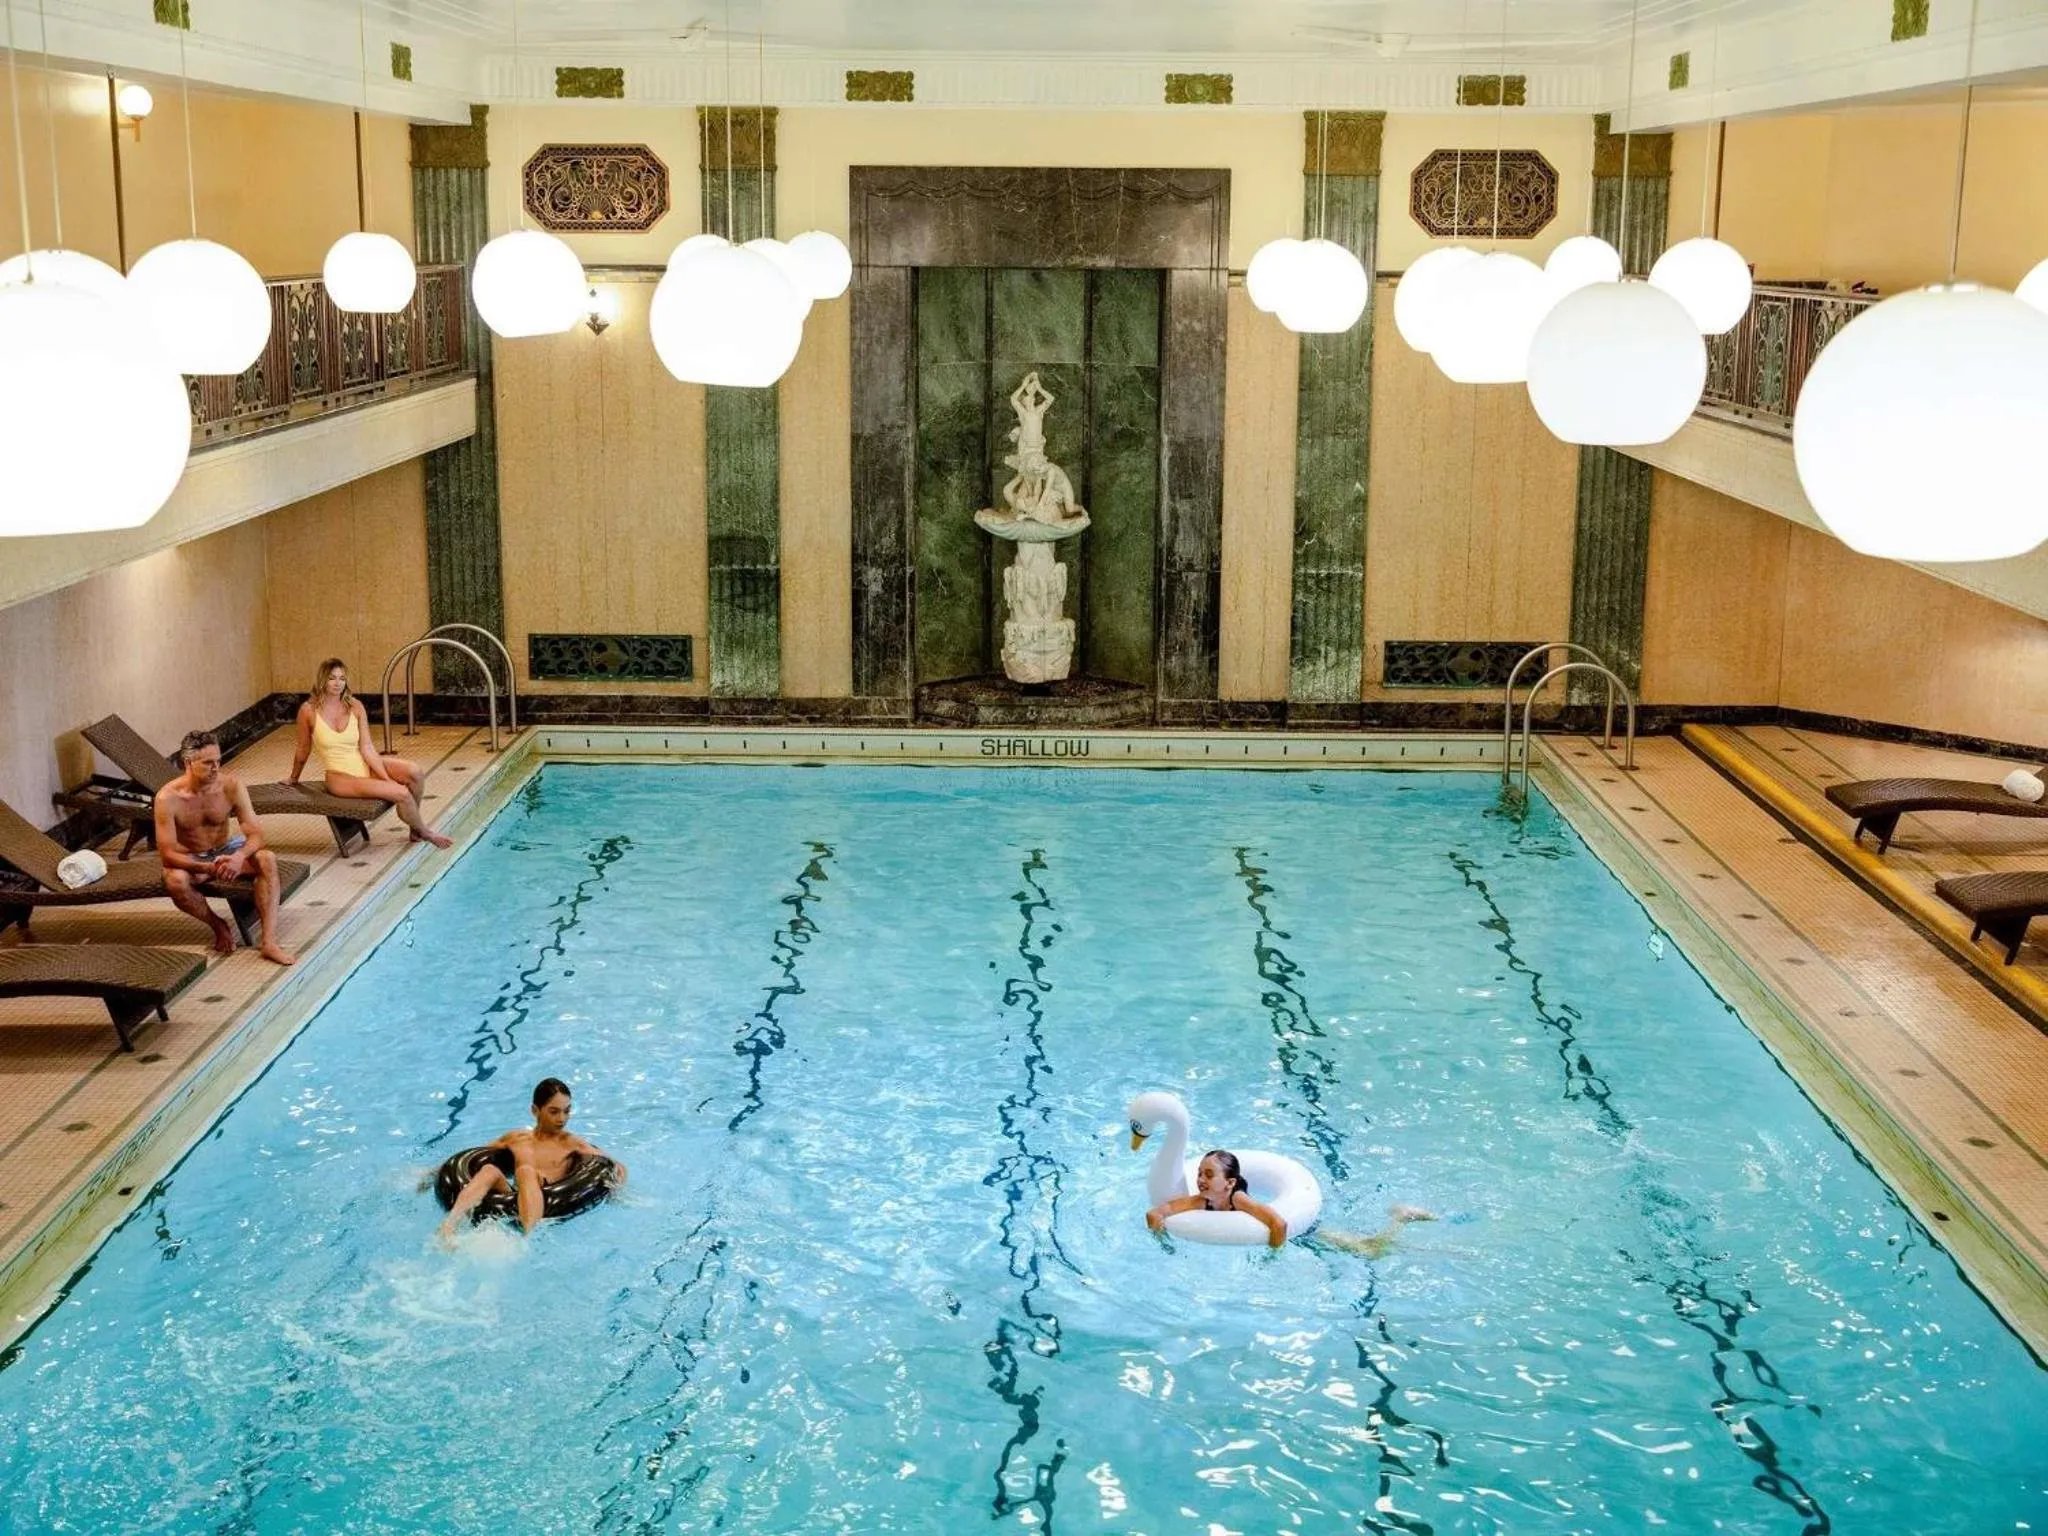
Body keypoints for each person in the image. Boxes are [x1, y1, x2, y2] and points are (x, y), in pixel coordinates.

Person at [152, 730, 296, 965]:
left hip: (228, 849)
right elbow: (167, 854)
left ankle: (269, 942)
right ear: (188, 762)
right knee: (174, 880)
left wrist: (239, 857)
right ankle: (218, 925)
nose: (216, 768)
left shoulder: (231, 785)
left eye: (218, 761)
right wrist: (208, 868)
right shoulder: (167, 798)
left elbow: (256, 834)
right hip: (195, 859)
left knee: (267, 858)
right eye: (208, 763)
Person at [286, 657, 452, 849]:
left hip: (362, 765)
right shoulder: (308, 711)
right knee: (402, 793)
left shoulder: (355, 706)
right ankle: (426, 833)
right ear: (323, 680)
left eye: (342, 678)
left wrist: (385, 777)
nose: (338, 683)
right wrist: (293, 778)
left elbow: (367, 748)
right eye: (332, 678)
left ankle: (414, 829)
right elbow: (303, 748)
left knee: (414, 772)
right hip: (340, 778)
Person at [438, 1078, 627, 1242]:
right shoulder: (516, 1138)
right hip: (514, 1200)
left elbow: (615, 1166)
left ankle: (527, 1241)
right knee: (489, 1170)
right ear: (535, 1110)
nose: (562, 1119)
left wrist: (616, 1191)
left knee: (527, 1171)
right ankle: (449, 1226)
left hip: (548, 1202)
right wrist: (435, 1172)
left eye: (566, 1111)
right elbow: (472, 1158)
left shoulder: (571, 1143)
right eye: (554, 1111)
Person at [1146, 1149, 1289, 1249]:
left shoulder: (1239, 1200)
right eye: (1199, 1173)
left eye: (1209, 1175)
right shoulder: (1201, 1201)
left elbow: (1279, 1224)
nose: (1200, 1180)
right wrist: (1165, 1243)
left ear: (1230, 1183)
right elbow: (1154, 1214)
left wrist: (1272, 1256)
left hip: (1233, 1193)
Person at [1317, 1204, 1439, 1259]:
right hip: (1305, 1215)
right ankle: (1401, 1217)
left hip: (1304, 1221)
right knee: (1372, 1248)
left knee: (1370, 1250)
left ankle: (1402, 1217)